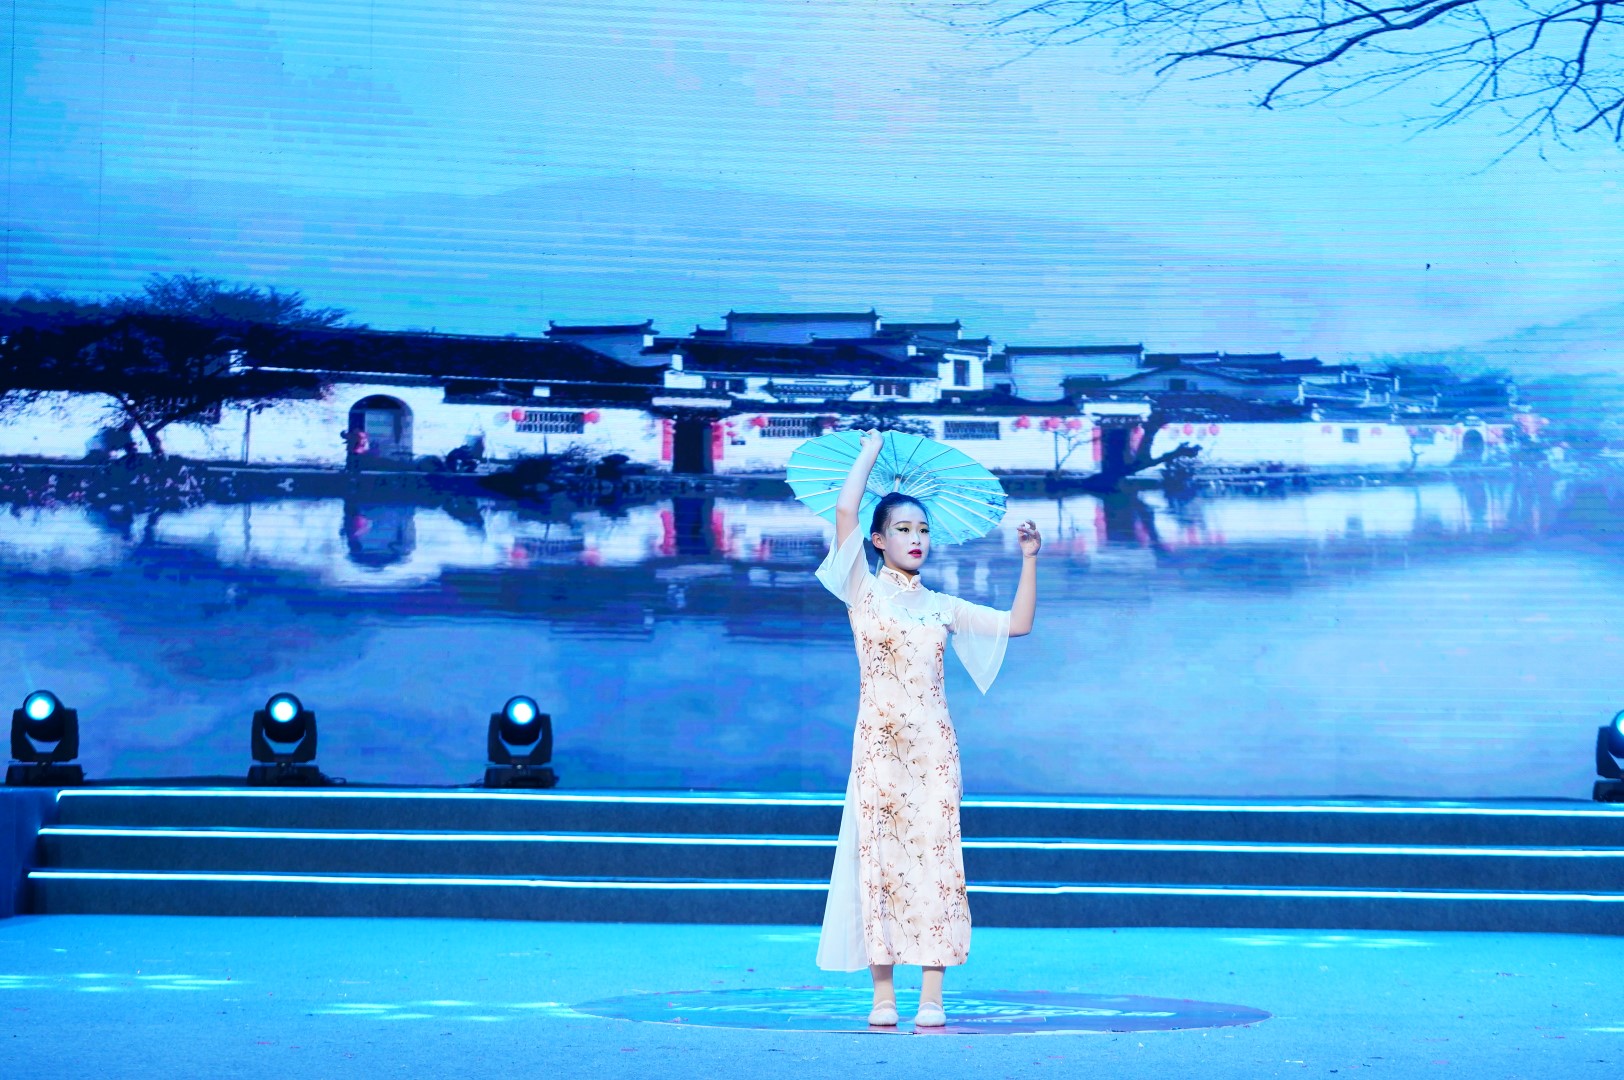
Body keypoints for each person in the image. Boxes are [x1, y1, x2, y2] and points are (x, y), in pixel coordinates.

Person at [813, 428, 1040, 1028]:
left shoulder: (942, 605)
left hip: (934, 750)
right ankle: (882, 993)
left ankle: (932, 993)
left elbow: (1017, 625)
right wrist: (869, 452)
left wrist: (1029, 560)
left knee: (937, 863)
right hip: (878, 748)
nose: (916, 539)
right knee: (880, 862)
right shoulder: (862, 591)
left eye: (923, 529)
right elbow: (844, 511)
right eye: (903, 529)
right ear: (878, 540)